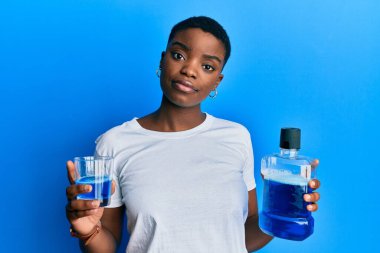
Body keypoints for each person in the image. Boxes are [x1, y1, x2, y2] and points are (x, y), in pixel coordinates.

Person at [65, 16, 321, 253]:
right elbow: (107, 243)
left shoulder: (236, 137)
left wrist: (283, 213)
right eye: (179, 55)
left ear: (217, 82)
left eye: (208, 66)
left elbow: (242, 233)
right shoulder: (115, 143)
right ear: (162, 60)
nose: (190, 70)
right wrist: (89, 231)